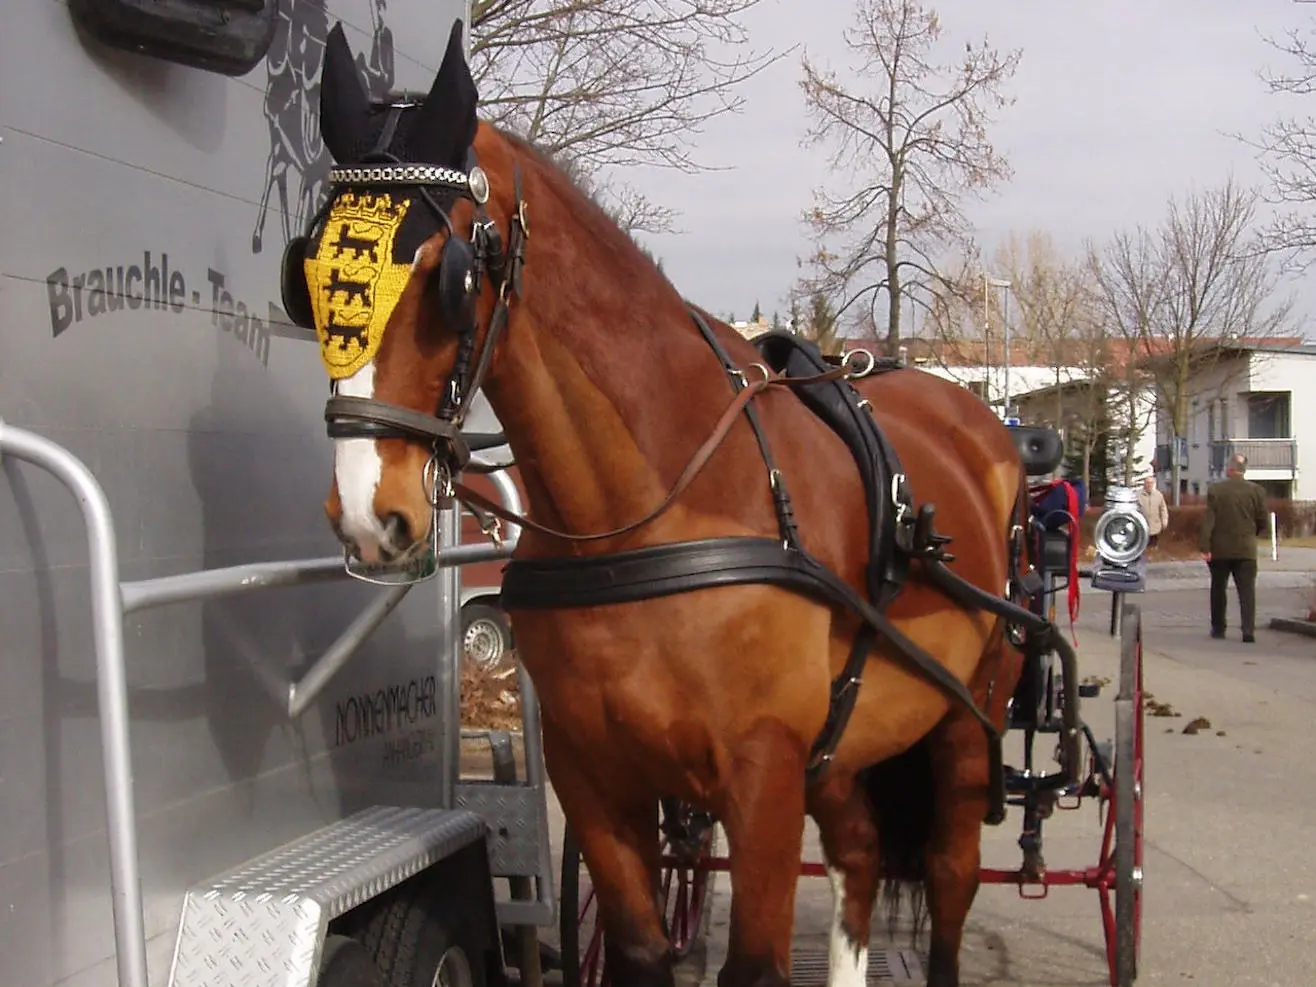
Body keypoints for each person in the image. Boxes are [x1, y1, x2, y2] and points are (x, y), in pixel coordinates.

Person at [1198, 453, 1269, 643]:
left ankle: (1219, 628)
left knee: (1218, 588)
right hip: (1246, 548)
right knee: (1247, 591)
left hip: (1220, 549)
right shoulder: (1257, 491)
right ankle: (1248, 630)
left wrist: (1205, 546)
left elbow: (1209, 521)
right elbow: (1263, 520)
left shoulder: (1216, 490)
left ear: (1229, 469)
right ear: (1244, 470)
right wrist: (1253, 533)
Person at [1136, 475, 1170, 548]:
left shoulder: (1159, 495)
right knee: (1142, 547)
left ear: (1154, 484)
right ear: (1144, 484)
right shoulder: (1137, 495)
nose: (1149, 485)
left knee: (1153, 547)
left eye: (1151, 483)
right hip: (1141, 526)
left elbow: (1163, 509)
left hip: (1155, 527)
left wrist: (1164, 521)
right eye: (1147, 483)